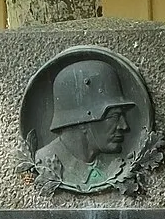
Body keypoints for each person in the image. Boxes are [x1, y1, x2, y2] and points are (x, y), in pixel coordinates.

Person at [31, 56, 137, 192]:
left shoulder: (109, 168)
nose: (124, 126)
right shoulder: (45, 162)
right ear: (82, 121)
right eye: (114, 116)